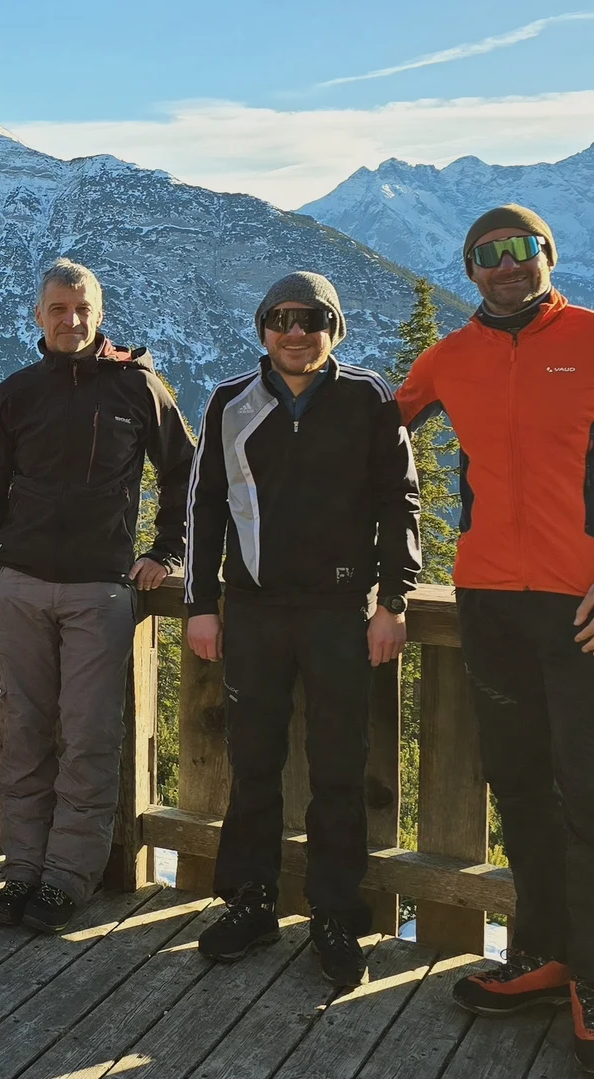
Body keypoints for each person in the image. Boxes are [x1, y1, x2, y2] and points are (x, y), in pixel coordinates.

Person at [399, 205, 594, 1078]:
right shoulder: (450, 356)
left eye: (520, 250)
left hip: (588, 610)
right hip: (487, 603)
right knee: (520, 785)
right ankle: (542, 954)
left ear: (547, 256)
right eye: (486, 256)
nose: (505, 266)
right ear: (470, 272)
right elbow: (375, 430)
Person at [183, 271, 421, 989]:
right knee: (252, 760)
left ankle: (335, 912)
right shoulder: (231, 400)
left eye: (312, 318)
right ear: (263, 327)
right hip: (253, 609)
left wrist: (395, 600)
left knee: (339, 768)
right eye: (281, 317)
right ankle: (250, 902)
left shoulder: (369, 398)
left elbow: (400, 501)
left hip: (339, 610)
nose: (296, 330)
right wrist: (200, 601)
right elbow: (205, 507)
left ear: (334, 329)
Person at [0, 258, 195, 933]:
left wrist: (165, 551)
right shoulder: (16, 394)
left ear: (99, 313)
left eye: (83, 308)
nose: (72, 319)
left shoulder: (135, 386)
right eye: (59, 308)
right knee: (26, 736)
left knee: (89, 737)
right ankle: (21, 870)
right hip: (19, 588)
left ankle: (67, 878)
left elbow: (185, 468)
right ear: (38, 316)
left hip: (99, 591)